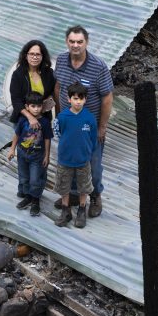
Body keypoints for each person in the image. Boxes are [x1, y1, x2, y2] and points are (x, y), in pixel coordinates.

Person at [53, 25, 113, 217]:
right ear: (66, 42)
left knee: (93, 165)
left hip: (90, 127)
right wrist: (59, 114)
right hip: (68, 125)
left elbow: (107, 97)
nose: (75, 45)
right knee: (69, 161)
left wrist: (102, 126)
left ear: (86, 42)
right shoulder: (62, 60)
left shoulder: (98, 66)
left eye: (80, 42)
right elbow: (58, 87)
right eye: (72, 41)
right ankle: (72, 195)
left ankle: (95, 195)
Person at [52, 82, 98, 229]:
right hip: (65, 160)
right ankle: (66, 211)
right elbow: (58, 133)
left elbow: (93, 138)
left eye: (81, 98)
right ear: (68, 99)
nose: (78, 101)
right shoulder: (62, 117)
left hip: (83, 161)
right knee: (63, 186)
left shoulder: (89, 118)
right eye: (75, 98)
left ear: (85, 99)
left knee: (83, 187)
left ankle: (82, 210)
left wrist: (87, 152)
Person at [7, 91, 52, 216]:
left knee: (35, 179)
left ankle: (35, 201)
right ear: (27, 107)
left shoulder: (45, 122)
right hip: (22, 154)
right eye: (33, 106)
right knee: (24, 177)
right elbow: (16, 134)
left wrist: (47, 156)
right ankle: (28, 197)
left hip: (37, 157)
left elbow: (48, 139)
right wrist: (12, 149)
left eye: (38, 106)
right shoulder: (22, 120)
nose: (36, 109)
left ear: (42, 106)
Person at [9, 39, 56, 128]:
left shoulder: (49, 73)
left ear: (43, 56)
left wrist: (48, 102)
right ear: (26, 56)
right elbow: (16, 100)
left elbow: (53, 92)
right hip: (23, 120)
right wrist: (30, 117)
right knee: (24, 141)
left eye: (38, 54)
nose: (35, 57)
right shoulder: (18, 74)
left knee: (43, 140)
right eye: (31, 54)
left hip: (43, 118)